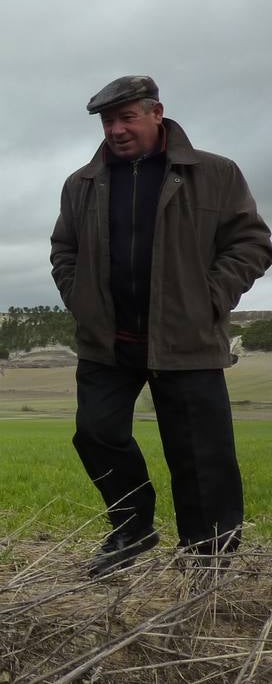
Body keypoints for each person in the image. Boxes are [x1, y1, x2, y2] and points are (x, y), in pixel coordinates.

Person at [50, 75, 272, 576]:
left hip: (186, 337)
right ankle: (132, 527)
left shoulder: (215, 172)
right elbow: (64, 248)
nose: (116, 130)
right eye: (108, 121)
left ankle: (209, 558)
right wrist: (79, 297)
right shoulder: (81, 184)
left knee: (200, 454)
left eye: (127, 117)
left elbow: (252, 242)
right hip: (107, 340)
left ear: (157, 113)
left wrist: (210, 298)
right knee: (96, 433)